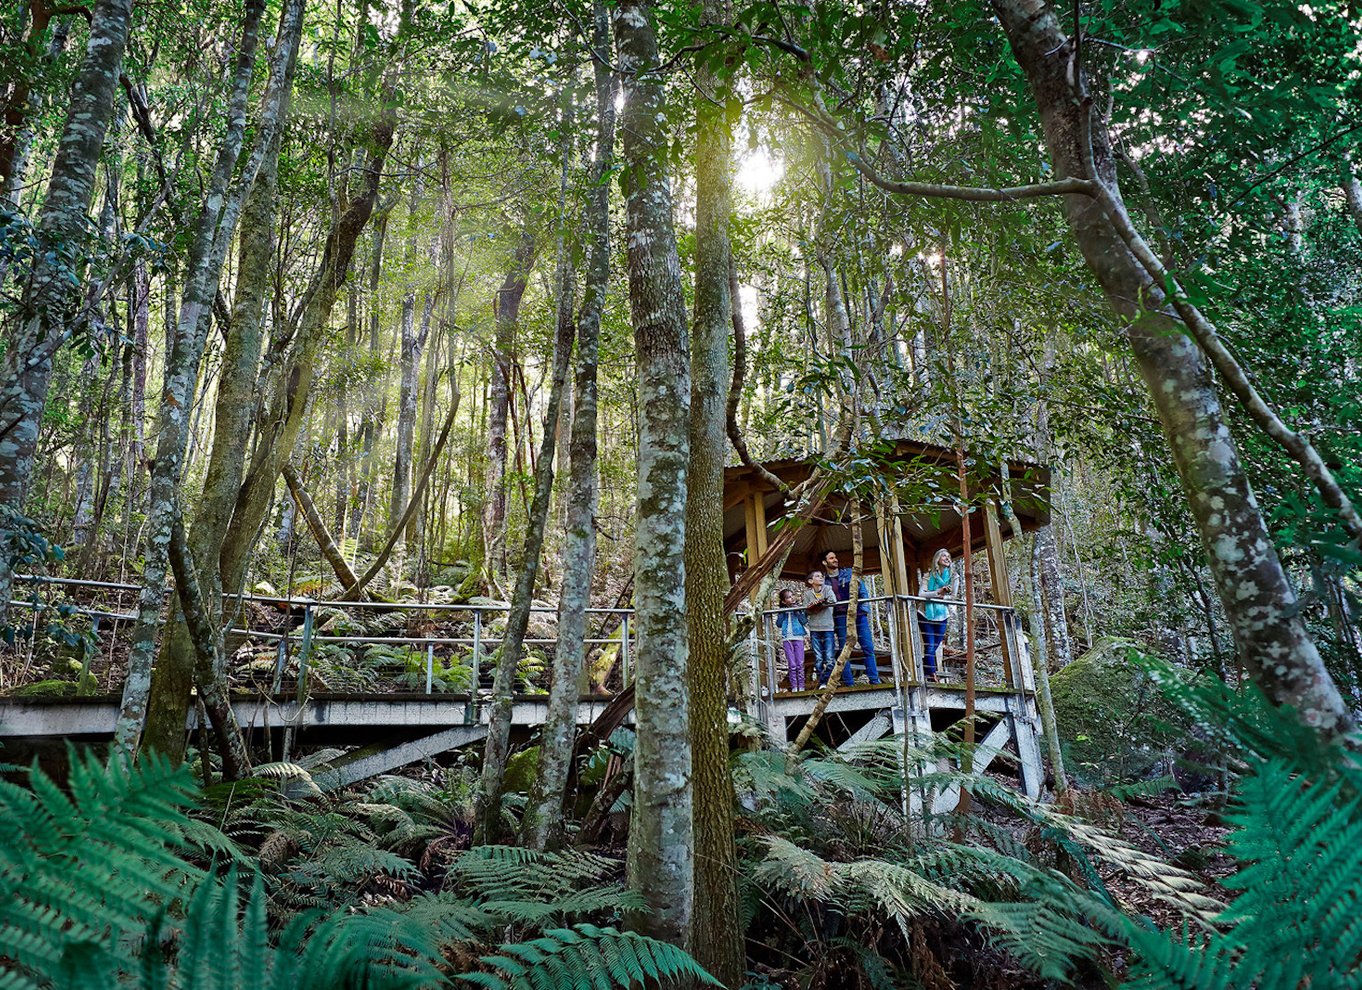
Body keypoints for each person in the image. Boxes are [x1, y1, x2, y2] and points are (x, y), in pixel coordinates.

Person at [820, 549, 881, 685]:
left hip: (858, 614)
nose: (835, 560)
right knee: (844, 649)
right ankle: (849, 683)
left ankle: (874, 680)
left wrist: (864, 609)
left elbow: (863, 591)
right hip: (840, 617)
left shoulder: (848, 573)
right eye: (831, 558)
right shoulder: (823, 581)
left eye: (835, 557)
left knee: (868, 647)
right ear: (824, 562)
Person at [919, 548, 953, 680]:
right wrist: (937, 593)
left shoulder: (953, 577)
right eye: (944, 556)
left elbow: (954, 597)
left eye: (948, 556)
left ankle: (926, 667)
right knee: (930, 645)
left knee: (934, 645)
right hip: (925, 614)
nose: (947, 558)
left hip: (942, 614)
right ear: (937, 559)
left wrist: (944, 597)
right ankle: (931, 674)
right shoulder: (928, 576)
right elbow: (921, 594)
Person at [804, 569, 837, 686]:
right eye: (817, 576)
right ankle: (822, 682)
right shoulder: (807, 594)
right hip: (814, 628)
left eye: (821, 576)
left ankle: (824, 682)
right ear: (811, 581)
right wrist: (814, 606)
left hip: (828, 627)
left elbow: (833, 601)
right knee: (818, 659)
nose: (821, 577)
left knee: (829, 659)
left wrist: (820, 604)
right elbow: (806, 610)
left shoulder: (827, 589)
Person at [775, 588, 808, 692]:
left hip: (798, 637)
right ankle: (794, 686)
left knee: (800, 663)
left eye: (792, 595)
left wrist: (797, 610)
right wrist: (783, 611)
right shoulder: (783, 611)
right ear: (784, 601)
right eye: (788, 597)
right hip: (787, 638)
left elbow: (804, 621)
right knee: (792, 664)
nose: (792, 598)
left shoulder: (799, 608)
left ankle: (801, 686)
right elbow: (779, 624)